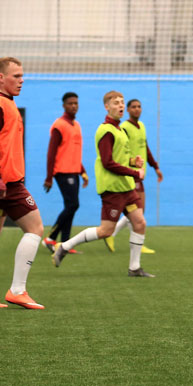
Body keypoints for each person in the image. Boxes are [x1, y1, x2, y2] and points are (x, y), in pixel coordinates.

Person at [52, 91, 154, 277]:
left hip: (126, 187)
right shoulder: (105, 130)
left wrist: (133, 161)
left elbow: (120, 158)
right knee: (106, 231)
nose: (120, 106)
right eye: (116, 103)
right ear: (107, 107)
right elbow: (108, 163)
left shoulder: (119, 129)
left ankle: (134, 268)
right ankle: (64, 246)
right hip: (113, 189)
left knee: (140, 223)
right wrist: (134, 172)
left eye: (122, 102)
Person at [0, 56, 45, 309]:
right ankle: (17, 290)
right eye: (16, 76)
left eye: (22, 76)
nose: (21, 81)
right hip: (6, 183)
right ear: (1, 78)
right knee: (35, 229)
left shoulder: (5, 104)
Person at [104, 98, 162, 254]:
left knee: (137, 211)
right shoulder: (124, 127)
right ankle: (127, 239)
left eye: (139, 106)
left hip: (139, 172)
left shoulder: (141, 126)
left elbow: (145, 147)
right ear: (128, 110)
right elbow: (121, 151)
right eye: (133, 107)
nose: (137, 109)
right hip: (130, 173)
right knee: (138, 211)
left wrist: (155, 166)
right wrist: (130, 166)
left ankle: (113, 234)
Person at [43, 92, 89, 253]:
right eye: (70, 103)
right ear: (64, 105)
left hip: (74, 172)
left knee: (71, 206)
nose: (74, 106)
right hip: (62, 172)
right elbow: (51, 153)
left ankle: (65, 243)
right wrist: (49, 177)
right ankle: (50, 237)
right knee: (73, 204)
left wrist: (82, 172)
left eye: (76, 103)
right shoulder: (59, 125)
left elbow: (73, 152)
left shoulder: (76, 125)